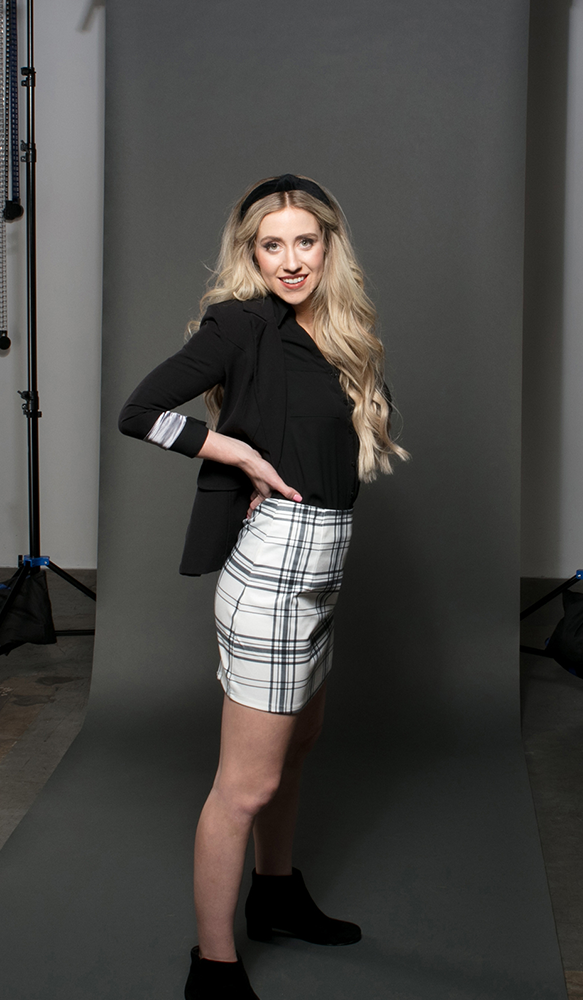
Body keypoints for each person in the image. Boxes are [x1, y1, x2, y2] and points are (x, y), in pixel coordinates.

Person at [118, 174, 408, 999]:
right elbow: (139, 412)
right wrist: (238, 452)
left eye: (304, 241)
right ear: (251, 253)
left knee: (298, 746)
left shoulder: (341, 331)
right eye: (271, 245)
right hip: (278, 570)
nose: (290, 261)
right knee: (245, 785)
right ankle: (213, 968)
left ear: (329, 245)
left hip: (324, 569)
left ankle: (275, 895)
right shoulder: (241, 323)